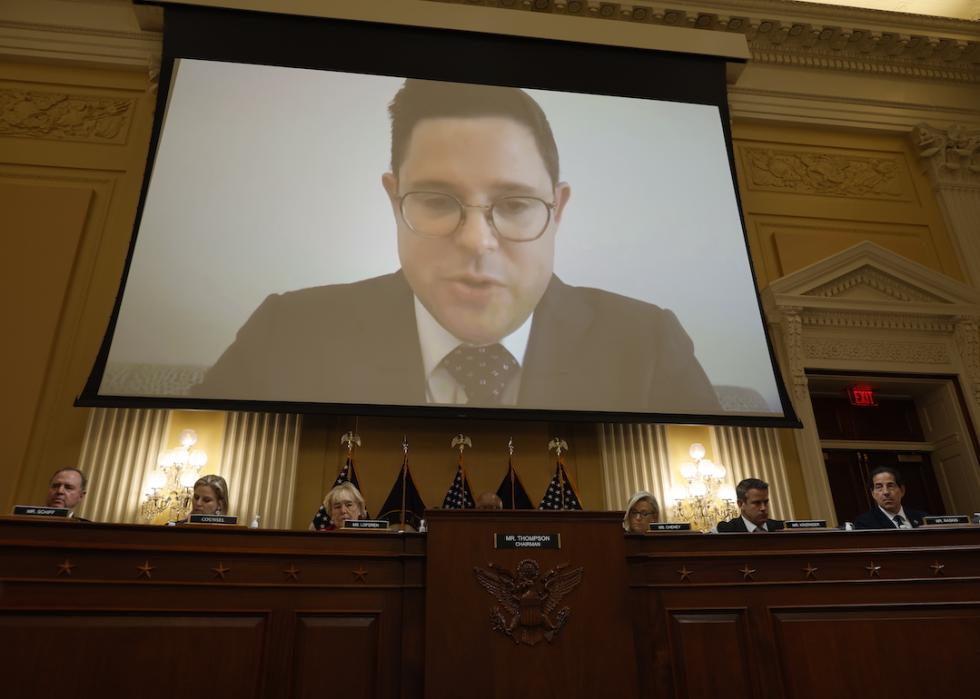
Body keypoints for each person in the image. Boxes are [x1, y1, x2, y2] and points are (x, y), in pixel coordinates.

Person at [193, 78, 720, 414]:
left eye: (514, 205)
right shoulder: (286, 332)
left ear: (557, 211)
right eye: (438, 201)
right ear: (393, 199)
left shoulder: (649, 344)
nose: (476, 241)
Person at [853, 466, 927, 529]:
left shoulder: (923, 518)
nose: (886, 492)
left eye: (890, 486)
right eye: (879, 487)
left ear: (902, 490)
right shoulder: (864, 523)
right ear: (873, 494)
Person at [716, 478, 784, 532]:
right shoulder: (726, 531)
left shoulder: (782, 528)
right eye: (757, 503)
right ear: (740, 504)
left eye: (766, 502)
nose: (763, 508)